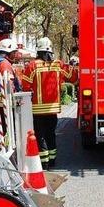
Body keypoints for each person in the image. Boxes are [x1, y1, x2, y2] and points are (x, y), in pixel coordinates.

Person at [21, 37, 78, 169]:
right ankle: (52, 160)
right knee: (51, 134)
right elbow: (73, 78)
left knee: (40, 137)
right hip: (53, 110)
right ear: (50, 51)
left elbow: (25, 86)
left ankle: (43, 163)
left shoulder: (32, 66)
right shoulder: (58, 65)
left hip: (37, 110)